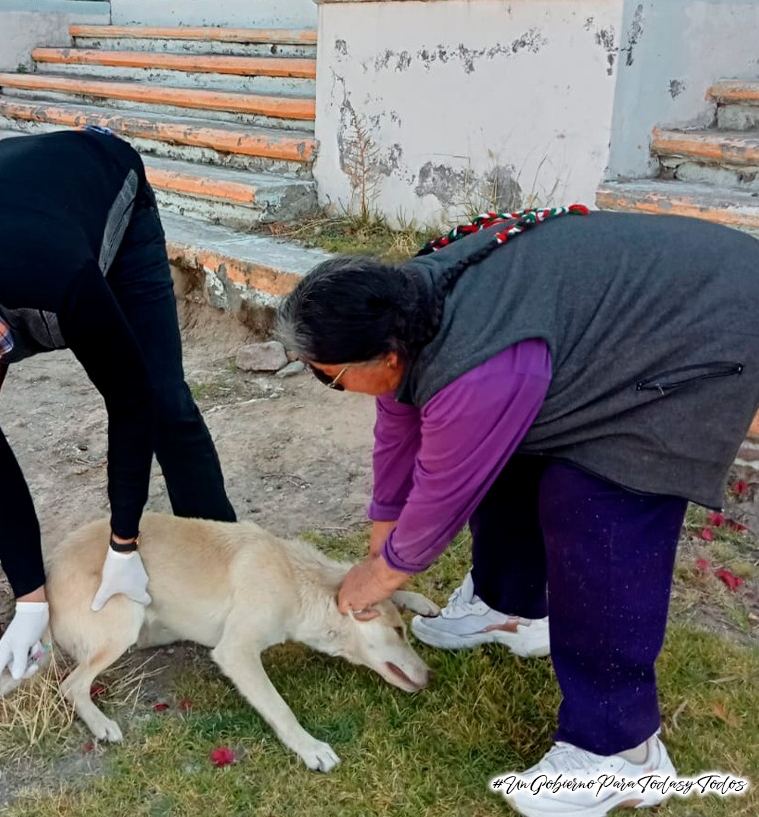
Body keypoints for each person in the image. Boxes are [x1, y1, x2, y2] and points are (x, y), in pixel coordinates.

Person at [277, 206, 759, 816]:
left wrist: (374, 579)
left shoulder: (477, 368)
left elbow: (440, 501)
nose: (333, 389)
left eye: (330, 378)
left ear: (385, 357)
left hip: (697, 327)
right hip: (600, 329)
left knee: (599, 505)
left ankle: (621, 751)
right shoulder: (406, 312)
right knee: (512, 460)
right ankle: (510, 608)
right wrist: (378, 546)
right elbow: (399, 436)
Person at [0, 128, 237, 700]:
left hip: (100, 192)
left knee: (161, 399)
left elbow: (128, 402)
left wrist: (123, 543)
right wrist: (31, 595)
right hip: (1, 211)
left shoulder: (65, 284)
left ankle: (224, 570)